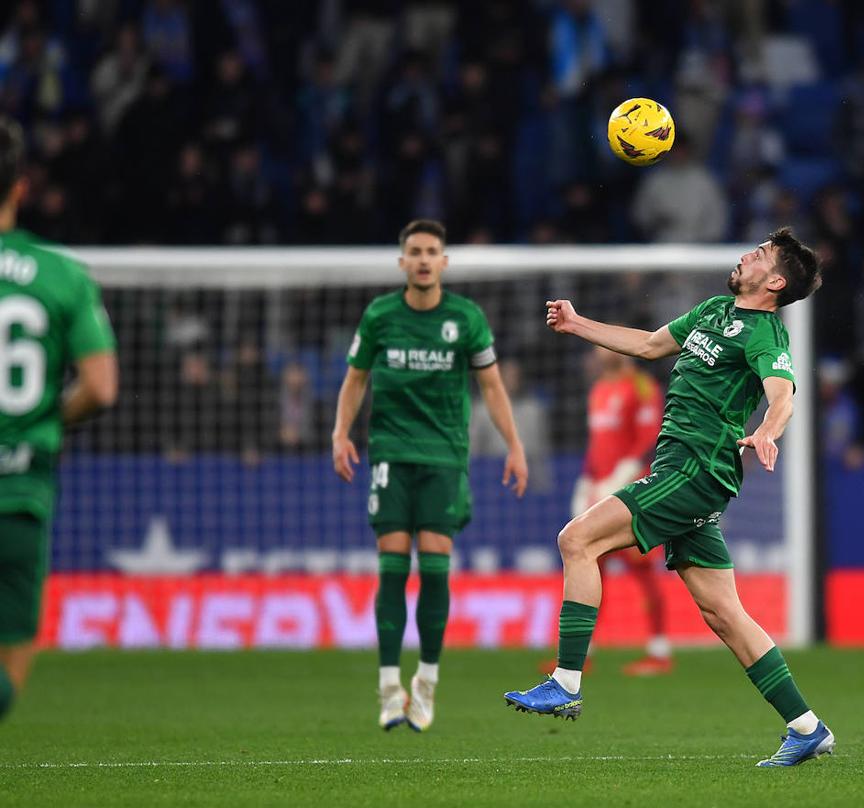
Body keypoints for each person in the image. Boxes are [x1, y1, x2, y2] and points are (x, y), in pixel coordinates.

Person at [503, 228, 833, 768]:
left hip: (695, 469)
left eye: (761, 255)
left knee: (576, 540)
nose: (747, 254)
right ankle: (807, 727)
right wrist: (576, 322)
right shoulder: (712, 310)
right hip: (682, 469)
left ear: (774, 281)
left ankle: (565, 681)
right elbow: (652, 344)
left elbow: (783, 392)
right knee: (723, 612)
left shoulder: (766, 335)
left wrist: (769, 429)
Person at [332, 219, 528, 733]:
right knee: (392, 565)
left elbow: (491, 386)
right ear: (403, 262)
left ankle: (427, 682)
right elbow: (355, 379)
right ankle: (388, 685)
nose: (422, 259)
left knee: (436, 564)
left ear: (443, 262)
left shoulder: (465, 318)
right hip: (391, 456)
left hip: (444, 457)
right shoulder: (380, 315)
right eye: (414, 251)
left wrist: (514, 446)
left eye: (431, 251)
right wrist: (339, 433)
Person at [0, 117, 118, 721]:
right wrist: (47, 419)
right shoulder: (61, 274)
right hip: (23, 486)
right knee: (9, 676)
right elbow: (99, 387)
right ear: (20, 188)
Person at [573, 346, 671, 676]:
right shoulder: (599, 389)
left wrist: (622, 475)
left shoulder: (642, 386)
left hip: (632, 493)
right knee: (588, 567)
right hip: (598, 493)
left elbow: (647, 438)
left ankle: (659, 651)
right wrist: (586, 481)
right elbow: (595, 443)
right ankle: (582, 653)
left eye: (603, 346)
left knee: (644, 570)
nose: (598, 352)